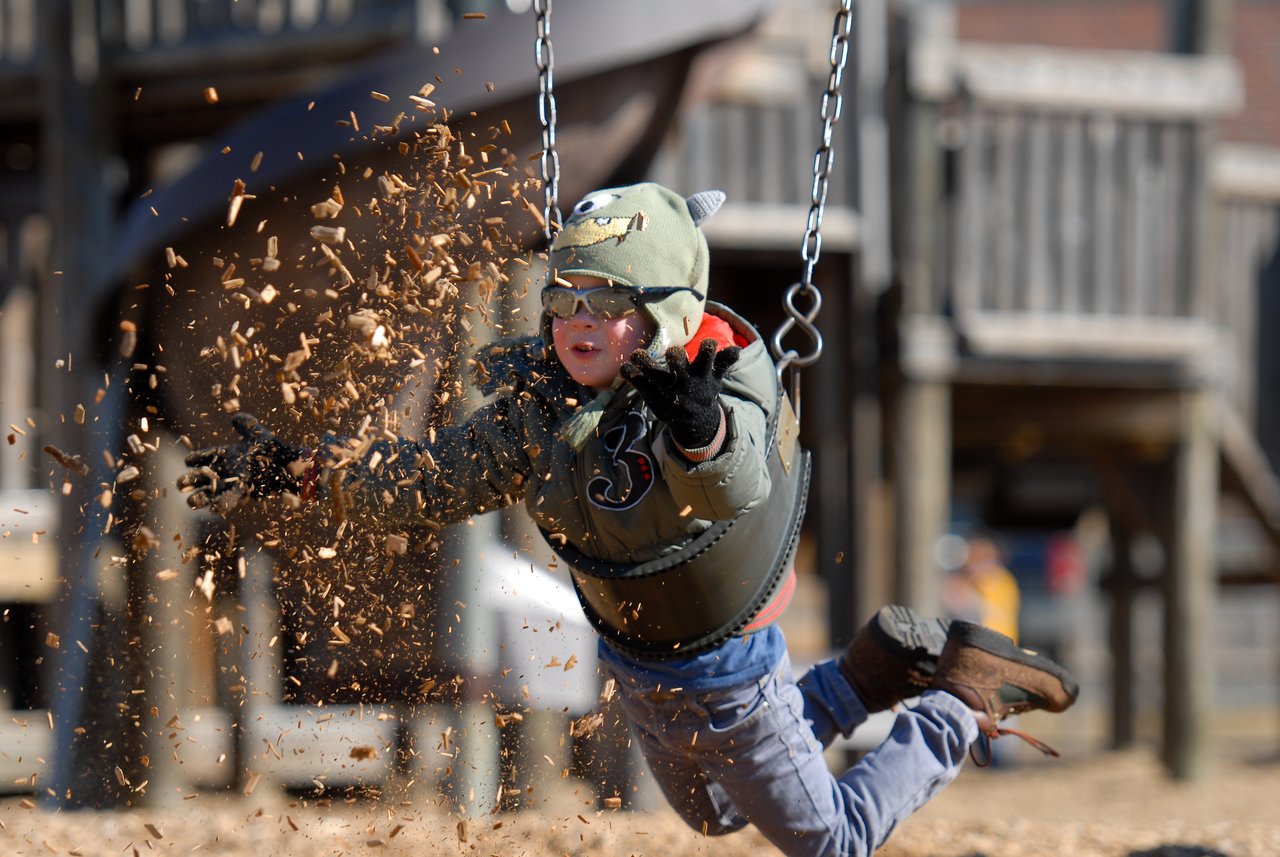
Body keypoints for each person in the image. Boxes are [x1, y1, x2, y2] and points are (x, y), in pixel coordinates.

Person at [178, 182, 1078, 857]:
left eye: (607, 304)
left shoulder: (722, 380)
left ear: (663, 316)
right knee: (715, 812)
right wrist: (297, 469)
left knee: (832, 840)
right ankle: (867, 671)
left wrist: (700, 430)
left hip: (729, 663)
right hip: (635, 659)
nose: (578, 321)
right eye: (564, 299)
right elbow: (423, 481)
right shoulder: (536, 411)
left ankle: (957, 702)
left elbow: (733, 483)